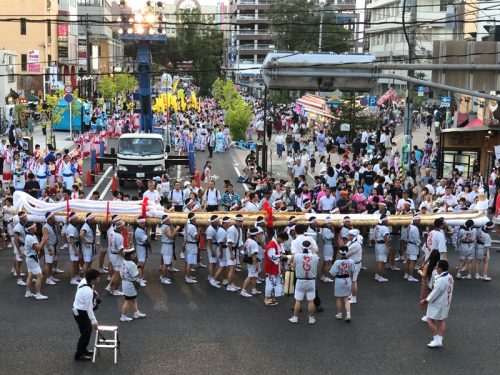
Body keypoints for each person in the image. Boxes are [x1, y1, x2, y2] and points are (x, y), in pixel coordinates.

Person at [421, 260, 454, 348]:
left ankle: (436, 339)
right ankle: (439, 339)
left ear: (440, 268)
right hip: (446, 302)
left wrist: (425, 300)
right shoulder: (450, 276)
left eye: (437, 266)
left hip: (438, 303)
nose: (436, 267)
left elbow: (435, 293)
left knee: (429, 319)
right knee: (441, 320)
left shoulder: (441, 280)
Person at [72, 269, 101, 361]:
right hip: (81, 312)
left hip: (77, 309)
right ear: (93, 280)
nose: (99, 279)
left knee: (85, 332)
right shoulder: (88, 292)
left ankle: (84, 350)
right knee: (86, 333)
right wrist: (94, 321)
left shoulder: (84, 281)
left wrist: (94, 291)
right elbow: (89, 309)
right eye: (98, 278)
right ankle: (79, 354)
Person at [289, 241, 319, 324]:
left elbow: (294, 267)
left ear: (302, 247)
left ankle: (295, 318)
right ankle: (311, 319)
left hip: (300, 281)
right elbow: (316, 266)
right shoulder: (315, 257)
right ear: (310, 247)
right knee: (311, 301)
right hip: (311, 281)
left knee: (298, 301)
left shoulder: (297, 256)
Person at [119, 248, 146, 322]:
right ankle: (123, 316)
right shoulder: (131, 264)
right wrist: (139, 270)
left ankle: (136, 313)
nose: (135, 255)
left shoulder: (124, 261)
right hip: (130, 284)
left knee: (133, 299)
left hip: (125, 282)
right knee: (128, 301)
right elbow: (135, 275)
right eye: (134, 253)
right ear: (131, 255)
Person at [330, 246, 355, 322]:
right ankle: (348, 314)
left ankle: (339, 314)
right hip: (347, 279)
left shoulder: (337, 262)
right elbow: (353, 270)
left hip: (339, 280)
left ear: (340, 252)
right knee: (346, 298)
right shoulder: (351, 261)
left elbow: (332, 273)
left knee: (338, 298)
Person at [24, 222, 48, 300]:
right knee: (40, 276)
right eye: (34, 226)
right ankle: (38, 294)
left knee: (30, 275)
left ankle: (27, 292)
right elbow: (38, 247)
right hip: (32, 259)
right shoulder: (30, 237)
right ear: (30, 228)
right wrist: (43, 240)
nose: (36, 227)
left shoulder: (31, 235)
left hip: (30, 258)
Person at [418, 249, 441, 322]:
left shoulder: (428, 264)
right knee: (433, 298)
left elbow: (424, 275)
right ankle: (433, 315)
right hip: (435, 283)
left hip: (426, 283)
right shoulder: (438, 264)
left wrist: (419, 271)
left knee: (426, 298)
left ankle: (428, 316)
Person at [241, 226, 263, 298]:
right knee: (250, 276)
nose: (260, 235)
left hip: (249, 259)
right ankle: (243, 291)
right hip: (253, 260)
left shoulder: (248, 240)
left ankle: (254, 289)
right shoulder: (254, 243)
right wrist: (256, 264)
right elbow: (254, 255)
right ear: (256, 234)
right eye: (259, 234)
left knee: (254, 275)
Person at [160, 215, 180, 285]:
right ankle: (163, 278)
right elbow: (170, 237)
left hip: (166, 246)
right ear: (165, 221)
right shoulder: (167, 227)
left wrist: (175, 233)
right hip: (167, 246)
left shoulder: (164, 226)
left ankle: (163, 277)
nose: (170, 220)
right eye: (168, 219)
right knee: (166, 264)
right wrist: (176, 229)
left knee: (166, 263)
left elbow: (171, 235)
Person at [345, 229, 363, 304]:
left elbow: (345, 253)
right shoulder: (351, 242)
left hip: (355, 264)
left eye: (349, 235)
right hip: (351, 263)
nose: (347, 236)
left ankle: (354, 298)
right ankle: (351, 294)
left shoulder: (356, 244)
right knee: (350, 280)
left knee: (353, 281)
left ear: (353, 236)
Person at [42, 212, 59, 286]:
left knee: (52, 262)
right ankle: (47, 279)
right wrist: (49, 249)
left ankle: (51, 276)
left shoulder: (53, 225)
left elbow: (59, 233)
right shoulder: (45, 227)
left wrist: (58, 226)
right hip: (50, 246)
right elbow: (45, 239)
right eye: (53, 216)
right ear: (49, 218)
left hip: (54, 246)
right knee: (48, 263)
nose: (54, 217)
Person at [404, 215, 421, 282]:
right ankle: (410, 276)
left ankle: (406, 274)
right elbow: (416, 238)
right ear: (416, 220)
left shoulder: (409, 226)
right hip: (413, 245)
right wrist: (419, 244)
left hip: (409, 244)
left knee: (408, 260)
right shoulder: (414, 228)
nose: (419, 222)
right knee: (412, 262)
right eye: (419, 220)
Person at [205, 215, 221, 288]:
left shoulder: (216, 227)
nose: (219, 222)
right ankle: (212, 278)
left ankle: (210, 276)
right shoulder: (210, 229)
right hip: (212, 246)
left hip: (215, 246)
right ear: (214, 222)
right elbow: (208, 241)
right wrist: (211, 250)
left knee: (214, 262)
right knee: (212, 262)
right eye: (218, 221)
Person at [134, 216, 150, 286]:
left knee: (143, 264)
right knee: (140, 264)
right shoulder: (138, 231)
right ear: (139, 223)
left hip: (143, 248)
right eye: (141, 223)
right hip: (140, 248)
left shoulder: (142, 229)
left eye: (144, 223)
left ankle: (140, 277)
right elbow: (146, 239)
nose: (143, 224)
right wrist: (149, 232)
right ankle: (139, 279)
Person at [66, 212, 81, 285]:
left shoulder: (74, 226)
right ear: (73, 219)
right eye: (76, 218)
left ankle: (77, 276)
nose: (77, 219)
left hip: (76, 245)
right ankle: (72, 279)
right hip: (73, 246)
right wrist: (75, 250)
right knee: (73, 263)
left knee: (77, 262)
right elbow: (71, 239)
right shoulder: (71, 228)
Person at [374, 216, 390, 282]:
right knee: (381, 261)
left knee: (378, 260)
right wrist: (387, 246)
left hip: (377, 244)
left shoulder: (376, 226)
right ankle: (380, 276)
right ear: (384, 221)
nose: (388, 221)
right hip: (382, 245)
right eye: (387, 220)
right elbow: (385, 237)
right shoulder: (384, 228)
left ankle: (377, 275)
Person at [184, 212, 199, 284]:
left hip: (188, 244)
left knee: (188, 262)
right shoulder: (192, 227)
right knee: (189, 263)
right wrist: (199, 231)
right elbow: (196, 237)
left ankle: (188, 276)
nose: (196, 219)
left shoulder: (187, 225)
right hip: (192, 245)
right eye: (195, 218)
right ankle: (188, 277)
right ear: (192, 219)